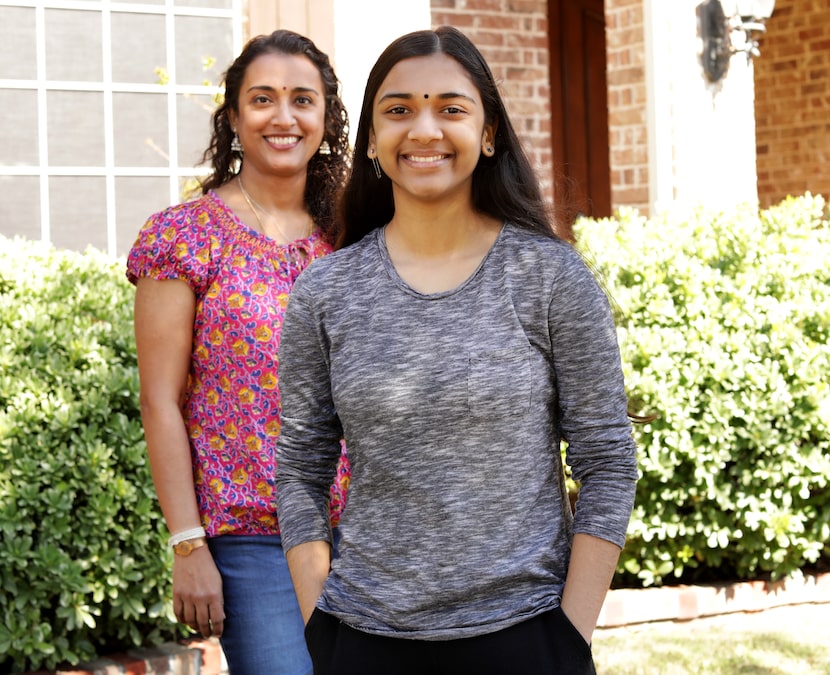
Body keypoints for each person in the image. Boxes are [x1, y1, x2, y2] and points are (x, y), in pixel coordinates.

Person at [275, 25, 639, 675]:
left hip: (527, 638)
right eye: (398, 110)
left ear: (489, 131)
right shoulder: (325, 290)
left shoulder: (551, 278)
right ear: (373, 141)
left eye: (450, 108)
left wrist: (569, 634)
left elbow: (607, 459)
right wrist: (320, 627)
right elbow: (302, 466)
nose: (423, 129)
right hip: (363, 638)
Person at [126, 29, 350, 675]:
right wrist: (188, 543)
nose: (284, 117)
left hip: (370, 533)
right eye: (263, 99)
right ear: (233, 117)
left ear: (325, 118)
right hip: (255, 539)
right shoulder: (185, 235)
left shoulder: (355, 232)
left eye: (302, 99)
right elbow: (159, 399)